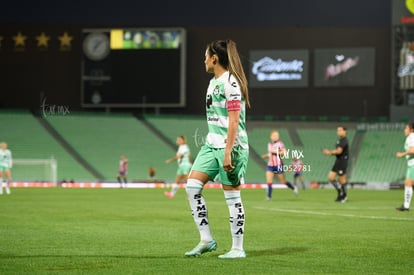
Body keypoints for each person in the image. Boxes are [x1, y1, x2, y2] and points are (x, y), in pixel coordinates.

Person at [184, 39, 250, 259]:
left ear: (214, 58)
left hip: (231, 147)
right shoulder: (213, 82)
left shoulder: (231, 83)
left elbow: (233, 122)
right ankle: (206, 239)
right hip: (211, 145)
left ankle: (238, 249)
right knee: (192, 186)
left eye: (205, 56)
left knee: (232, 196)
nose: (203, 60)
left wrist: (228, 152)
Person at [261, 130, 298, 200]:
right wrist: (266, 155)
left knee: (283, 181)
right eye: (274, 136)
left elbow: (284, 152)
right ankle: (269, 196)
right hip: (270, 165)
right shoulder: (269, 144)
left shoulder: (280, 144)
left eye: (277, 136)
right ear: (271, 137)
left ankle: (293, 188)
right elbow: (270, 154)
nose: (276, 137)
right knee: (269, 181)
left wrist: (274, 151)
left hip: (278, 165)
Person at [322, 126, 349, 202]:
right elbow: (337, 151)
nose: (339, 132)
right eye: (338, 130)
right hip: (338, 161)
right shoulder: (339, 140)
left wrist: (330, 152)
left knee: (342, 179)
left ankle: (344, 196)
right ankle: (340, 192)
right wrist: (330, 153)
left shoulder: (344, 140)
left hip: (342, 161)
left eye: (340, 130)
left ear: (345, 131)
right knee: (331, 178)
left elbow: (339, 151)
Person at [395, 122, 414, 211]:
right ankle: (406, 206)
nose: (404, 130)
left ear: (411, 130)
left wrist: (402, 154)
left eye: (406, 128)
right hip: (410, 164)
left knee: (408, 183)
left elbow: (412, 150)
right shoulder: (409, 138)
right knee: (409, 184)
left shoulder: (412, 137)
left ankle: (406, 206)